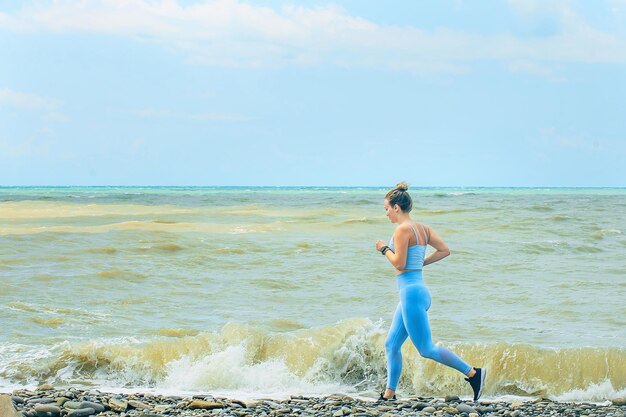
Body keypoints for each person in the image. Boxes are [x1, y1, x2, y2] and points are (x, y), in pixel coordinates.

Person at [375, 182, 486, 402]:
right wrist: (420, 264)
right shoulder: (423, 229)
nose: (386, 213)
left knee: (425, 349)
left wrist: (383, 248)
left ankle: (473, 373)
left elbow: (398, 263)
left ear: (397, 207)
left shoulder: (401, 230)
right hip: (418, 291)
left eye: (387, 208)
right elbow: (444, 251)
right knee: (391, 344)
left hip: (411, 295)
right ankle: (389, 394)